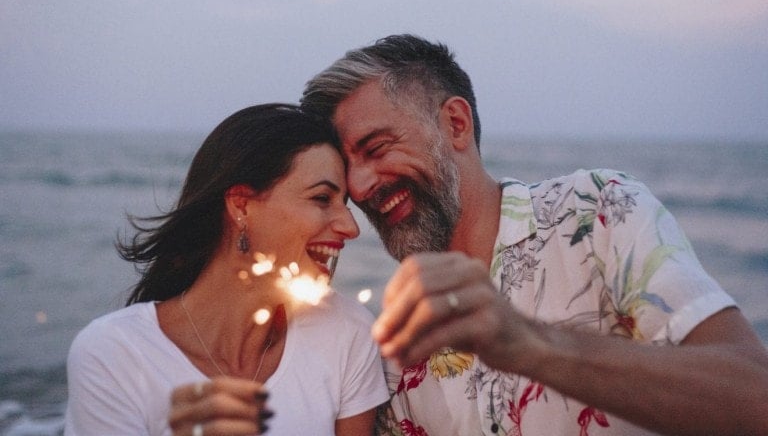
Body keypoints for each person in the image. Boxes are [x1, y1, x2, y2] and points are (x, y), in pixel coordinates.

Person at [299, 34, 768, 436]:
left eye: (377, 148)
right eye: (347, 169)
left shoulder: (597, 214)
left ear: (455, 125)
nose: (359, 188)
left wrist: (529, 344)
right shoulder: (399, 348)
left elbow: (756, 397)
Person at [64, 103, 389, 435]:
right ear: (241, 206)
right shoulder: (114, 355)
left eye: (345, 205)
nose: (350, 227)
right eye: (322, 199)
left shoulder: (346, 332)